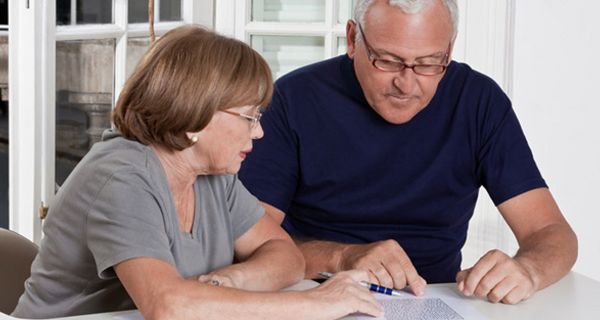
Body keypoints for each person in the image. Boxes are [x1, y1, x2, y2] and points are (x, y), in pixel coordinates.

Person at [12, 26, 383, 319]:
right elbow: (168, 307)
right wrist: (318, 305)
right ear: (196, 115)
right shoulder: (121, 177)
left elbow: (286, 257)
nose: (259, 132)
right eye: (250, 117)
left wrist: (227, 281)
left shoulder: (212, 174)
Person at [238, 0, 578, 305]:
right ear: (352, 39)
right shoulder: (293, 99)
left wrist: (527, 270)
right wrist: (341, 257)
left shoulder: (478, 102)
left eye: (429, 63)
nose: (406, 83)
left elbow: (551, 232)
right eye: (388, 61)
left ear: (449, 48)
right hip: (314, 293)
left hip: (435, 298)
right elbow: (245, 241)